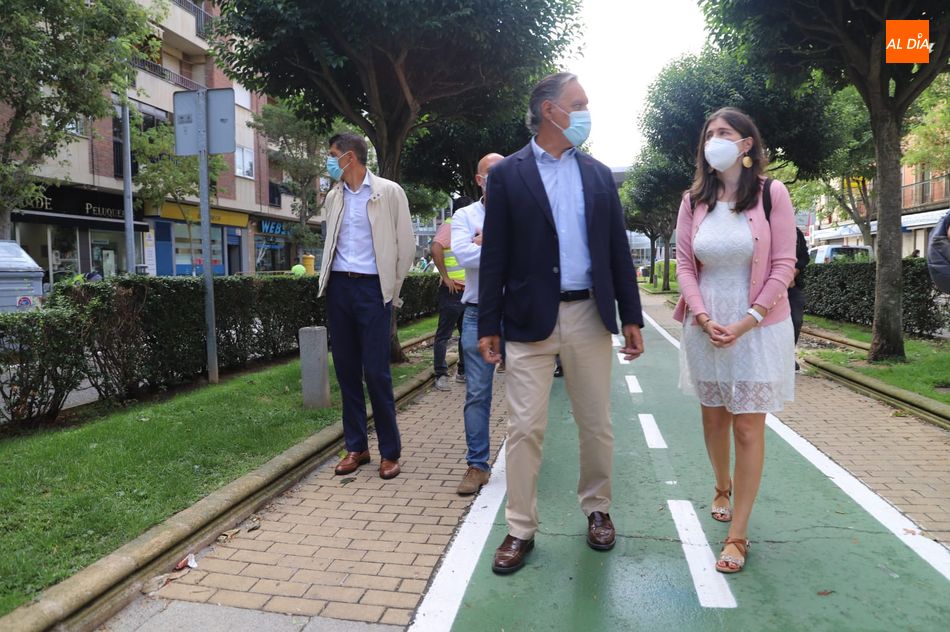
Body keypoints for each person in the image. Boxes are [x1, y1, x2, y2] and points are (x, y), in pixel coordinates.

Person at [478, 72, 645, 574]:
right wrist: (489, 322)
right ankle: (520, 528)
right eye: (579, 103)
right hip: (528, 319)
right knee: (525, 427)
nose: (586, 112)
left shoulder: (596, 174)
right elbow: (496, 256)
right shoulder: (508, 175)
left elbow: (617, 250)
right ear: (550, 111)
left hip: (589, 315)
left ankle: (597, 509)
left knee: (596, 424)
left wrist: (631, 316)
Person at [674, 107, 796, 574]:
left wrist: (748, 319)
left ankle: (738, 533)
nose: (714, 140)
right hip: (705, 323)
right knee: (714, 417)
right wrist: (702, 316)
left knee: (747, 426)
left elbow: (784, 263)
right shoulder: (693, 201)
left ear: (746, 145)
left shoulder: (771, 195)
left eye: (724, 133)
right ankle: (720, 485)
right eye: (709, 134)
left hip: (758, 327)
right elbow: (685, 263)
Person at [317, 132, 415, 480]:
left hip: (374, 289)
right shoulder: (334, 196)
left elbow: (406, 245)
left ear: (350, 157)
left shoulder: (388, 192)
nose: (329, 161)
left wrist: (392, 289)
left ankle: (390, 452)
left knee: (376, 372)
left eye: (332, 155)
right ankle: (356, 447)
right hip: (340, 287)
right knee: (346, 371)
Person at [451, 153, 504, 495]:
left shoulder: (523, 211)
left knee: (530, 392)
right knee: (478, 393)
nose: (496, 179)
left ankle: (529, 462)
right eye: (490, 174)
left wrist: (488, 242)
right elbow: (462, 255)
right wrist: (506, 247)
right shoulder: (464, 216)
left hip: (520, 312)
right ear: (478, 179)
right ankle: (477, 465)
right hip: (478, 311)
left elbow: (531, 257)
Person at [431, 197, 472, 391]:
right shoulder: (450, 226)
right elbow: (436, 248)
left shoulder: (466, 227)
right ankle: (440, 375)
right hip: (452, 290)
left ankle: (462, 372)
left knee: (466, 334)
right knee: (444, 335)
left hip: (467, 290)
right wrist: (445, 277)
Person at [787, 227, 809, 370]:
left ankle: (788, 356)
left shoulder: (795, 232)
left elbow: (804, 257)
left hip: (793, 287)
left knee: (795, 320)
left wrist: (793, 273)